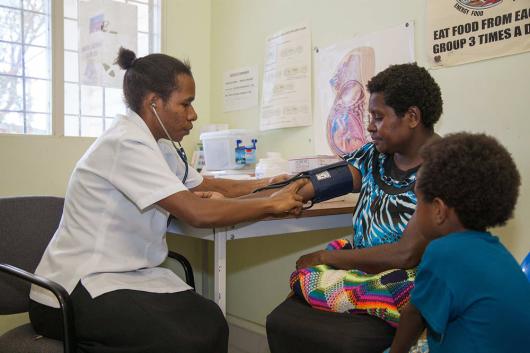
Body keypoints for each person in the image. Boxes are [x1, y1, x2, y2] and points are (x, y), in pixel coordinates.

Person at [28, 48, 306, 353]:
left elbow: (210, 185)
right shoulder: (125, 143)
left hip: (126, 277)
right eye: (185, 103)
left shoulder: (160, 146)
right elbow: (196, 211)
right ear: (154, 103)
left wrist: (268, 184)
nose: (193, 114)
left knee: (210, 321)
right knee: (183, 340)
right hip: (73, 289)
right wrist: (270, 203)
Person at [266, 63, 443, 353]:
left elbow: (406, 254)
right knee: (282, 318)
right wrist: (264, 195)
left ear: (412, 117)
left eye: (378, 117)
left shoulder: (442, 167)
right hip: (363, 268)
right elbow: (316, 184)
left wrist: (326, 256)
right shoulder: (374, 155)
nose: (370, 127)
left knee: (344, 337)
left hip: (409, 277)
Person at [389, 133, 530, 353]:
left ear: (438, 209)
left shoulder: (444, 253)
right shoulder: (498, 253)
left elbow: (413, 316)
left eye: (418, 201)